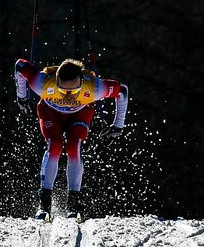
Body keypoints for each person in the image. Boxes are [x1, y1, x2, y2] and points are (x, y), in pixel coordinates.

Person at [14, 57, 129, 221]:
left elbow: (122, 90)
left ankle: (73, 205)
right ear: (56, 82)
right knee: (55, 145)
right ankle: (44, 204)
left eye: (75, 91)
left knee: (74, 146)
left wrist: (118, 125)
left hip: (80, 113)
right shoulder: (42, 83)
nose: (68, 96)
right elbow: (20, 65)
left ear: (82, 82)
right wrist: (22, 96)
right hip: (50, 112)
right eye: (63, 90)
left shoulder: (94, 88)